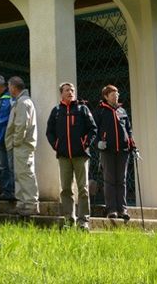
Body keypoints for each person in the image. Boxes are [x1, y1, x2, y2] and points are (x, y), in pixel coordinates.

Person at [45, 82, 97, 230]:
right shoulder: (56, 111)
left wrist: (84, 143)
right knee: (66, 189)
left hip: (80, 156)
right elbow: (49, 132)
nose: (70, 92)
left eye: (72, 90)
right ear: (61, 93)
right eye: (67, 90)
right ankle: (69, 220)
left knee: (83, 189)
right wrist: (57, 145)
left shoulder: (82, 109)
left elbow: (93, 129)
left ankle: (83, 222)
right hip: (63, 157)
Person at [94, 84, 136, 221]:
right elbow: (94, 130)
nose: (116, 96)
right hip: (108, 150)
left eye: (117, 93)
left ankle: (122, 209)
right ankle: (111, 209)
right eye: (112, 94)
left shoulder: (122, 111)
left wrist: (132, 145)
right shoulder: (100, 111)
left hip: (123, 150)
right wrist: (98, 142)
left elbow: (128, 130)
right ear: (106, 96)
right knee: (109, 180)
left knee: (121, 180)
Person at [4, 76, 39, 216]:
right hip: (21, 145)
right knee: (20, 174)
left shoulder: (23, 102)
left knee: (25, 174)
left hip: (22, 145)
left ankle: (30, 204)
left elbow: (21, 125)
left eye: (9, 86)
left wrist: (15, 142)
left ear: (13, 87)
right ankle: (22, 203)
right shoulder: (22, 101)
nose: (8, 89)